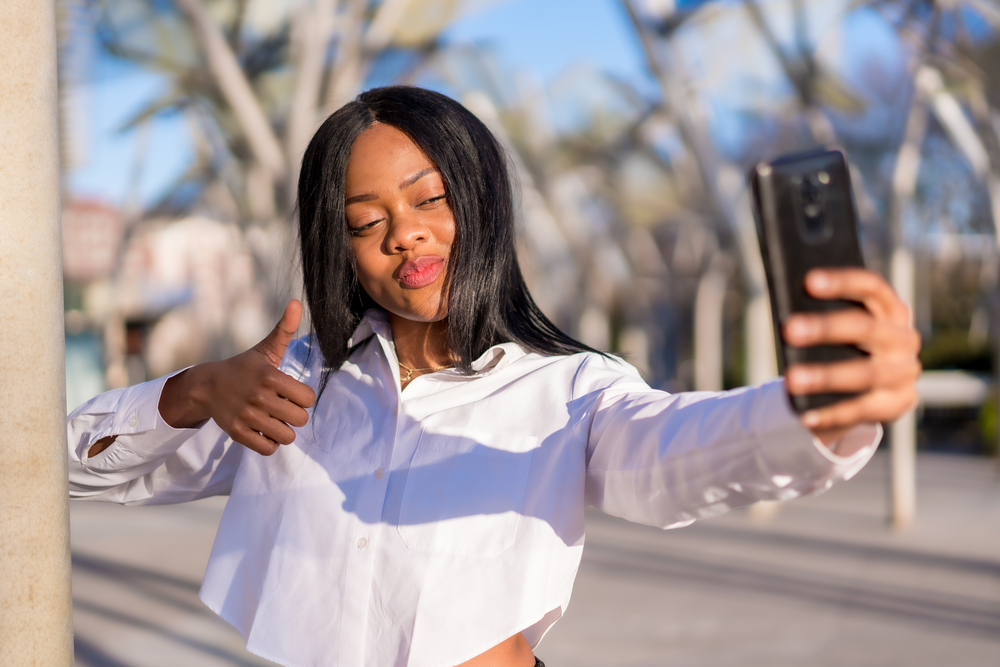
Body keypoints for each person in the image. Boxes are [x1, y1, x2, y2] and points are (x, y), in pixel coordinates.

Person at [67, 86, 920, 667]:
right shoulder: (288, 389)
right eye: (368, 221)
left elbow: (674, 457)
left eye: (430, 198)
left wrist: (817, 415)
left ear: (481, 201)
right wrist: (191, 392)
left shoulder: (569, 389)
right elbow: (66, 466)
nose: (405, 235)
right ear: (345, 249)